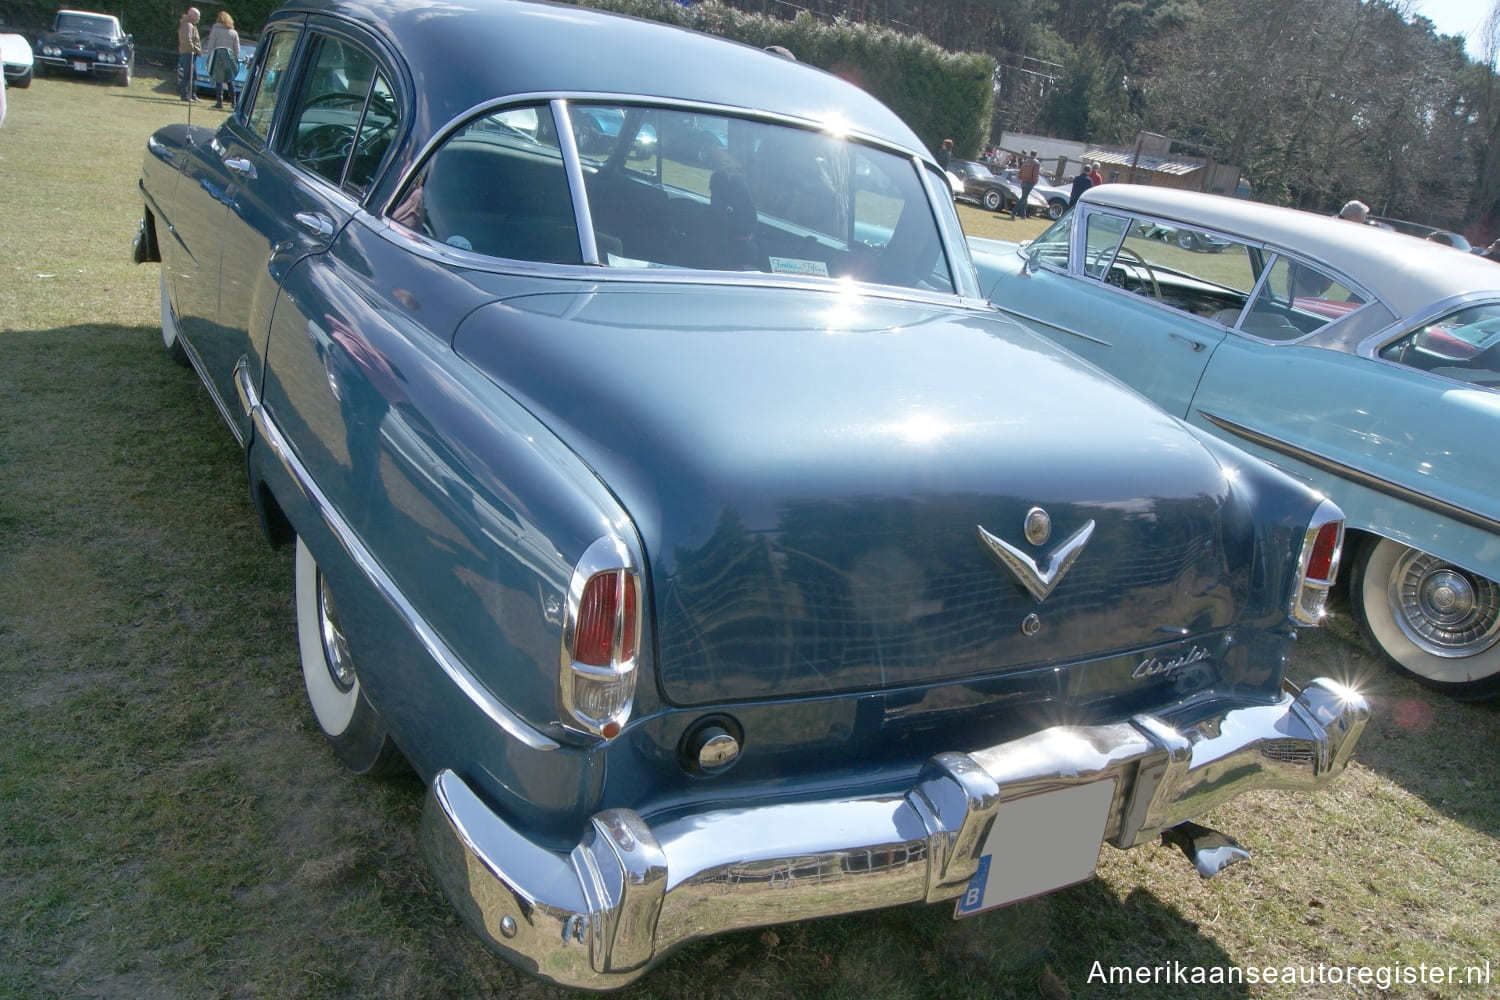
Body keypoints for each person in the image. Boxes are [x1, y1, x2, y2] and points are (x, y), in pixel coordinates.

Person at [204, 11, 240, 109]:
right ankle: (234, 102)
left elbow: (211, 45)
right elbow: (237, 49)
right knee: (230, 81)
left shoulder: (215, 30)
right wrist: (235, 58)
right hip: (229, 59)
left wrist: (209, 56)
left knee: (218, 80)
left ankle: (219, 102)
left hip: (218, 58)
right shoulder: (233, 32)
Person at [177, 7, 202, 102]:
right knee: (187, 75)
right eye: (197, 16)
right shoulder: (187, 25)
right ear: (191, 15)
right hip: (188, 53)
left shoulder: (191, 25)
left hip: (191, 53)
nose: (199, 18)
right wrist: (193, 49)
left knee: (193, 75)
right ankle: (185, 95)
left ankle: (193, 94)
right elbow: (186, 40)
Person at [1010, 149, 1039, 219]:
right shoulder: (1036, 163)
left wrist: (1020, 178)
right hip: (1030, 181)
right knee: (1023, 198)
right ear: (1036, 155)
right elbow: (1035, 173)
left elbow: (1021, 170)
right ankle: (1013, 212)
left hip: (1023, 181)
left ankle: (1023, 214)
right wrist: (1035, 181)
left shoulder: (1026, 162)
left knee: (1025, 197)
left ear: (1030, 154)